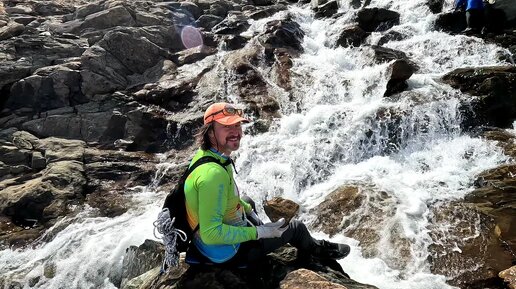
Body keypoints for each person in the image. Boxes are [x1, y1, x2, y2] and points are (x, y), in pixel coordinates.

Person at [183, 102, 350, 266]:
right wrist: (259, 232)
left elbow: (225, 198)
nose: (235, 132)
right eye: (227, 127)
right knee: (295, 228)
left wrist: (249, 212)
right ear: (210, 132)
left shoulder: (207, 156)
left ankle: (266, 234)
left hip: (205, 245)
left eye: (237, 126)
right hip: (226, 254)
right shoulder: (213, 174)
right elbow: (211, 234)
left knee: (248, 201)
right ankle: (318, 252)